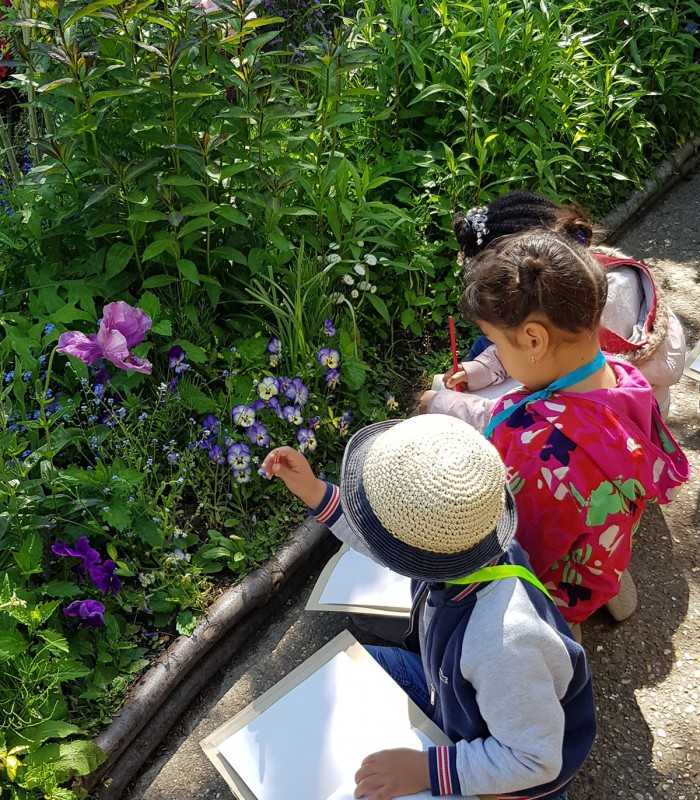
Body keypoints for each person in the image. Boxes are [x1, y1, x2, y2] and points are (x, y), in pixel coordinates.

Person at [262, 414, 596, 800]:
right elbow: (382, 541)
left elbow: (534, 761)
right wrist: (316, 492)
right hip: (455, 699)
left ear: (412, 553)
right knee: (357, 663)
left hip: (512, 779)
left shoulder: (502, 645)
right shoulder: (468, 543)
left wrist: (427, 770)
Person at [429, 228, 689, 630]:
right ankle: (611, 584)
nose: (496, 353)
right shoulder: (624, 377)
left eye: (495, 342)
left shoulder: (538, 451)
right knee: (590, 538)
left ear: (534, 339)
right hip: (605, 541)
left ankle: (563, 630)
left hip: (555, 585)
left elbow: (515, 546)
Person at [422, 192, 686, 423]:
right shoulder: (586, 289)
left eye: (500, 344)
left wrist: (444, 405)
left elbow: (519, 422)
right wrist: (483, 367)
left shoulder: (555, 434)